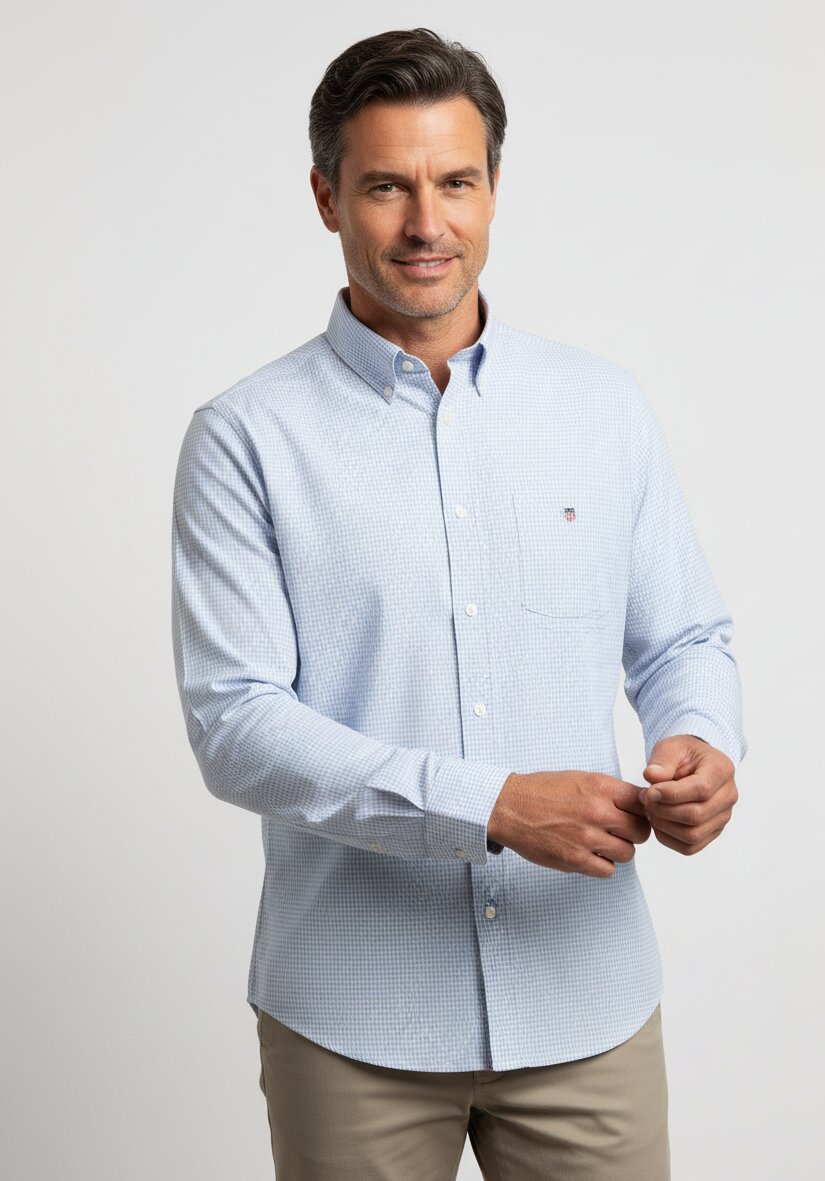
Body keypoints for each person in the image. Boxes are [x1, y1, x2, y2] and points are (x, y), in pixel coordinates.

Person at [171, 26, 747, 1181]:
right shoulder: (245, 439)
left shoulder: (602, 408)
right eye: (387, 185)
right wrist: (490, 803)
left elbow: (683, 635)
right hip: (353, 1021)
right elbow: (237, 723)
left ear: (493, 190)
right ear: (328, 197)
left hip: (585, 997)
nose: (426, 223)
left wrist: (702, 738)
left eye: (456, 182)